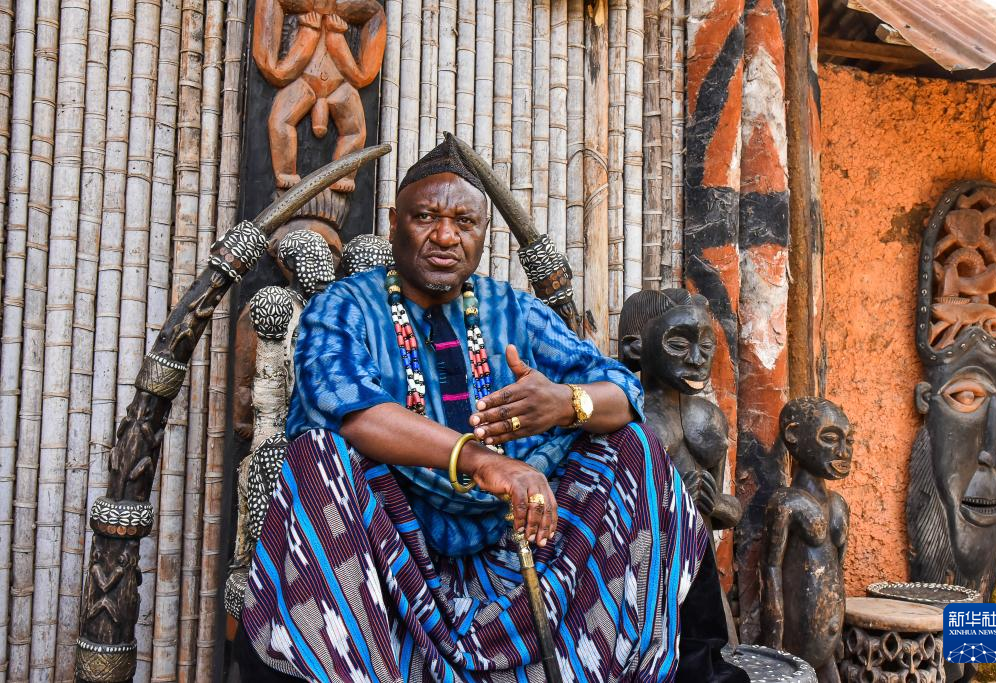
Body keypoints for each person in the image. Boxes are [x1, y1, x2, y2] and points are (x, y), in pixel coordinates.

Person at [236, 138, 728, 682]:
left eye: (464, 222)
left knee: (633, 445)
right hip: (387, 560)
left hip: (520, 549)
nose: (446, 236)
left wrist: (565, 403)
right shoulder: (344, 306)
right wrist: (483, 461)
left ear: (482, 234)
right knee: (318, 455)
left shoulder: (511, 308)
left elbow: (623, 392)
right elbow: (348, 408)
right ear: (395, 224)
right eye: (426, 217)